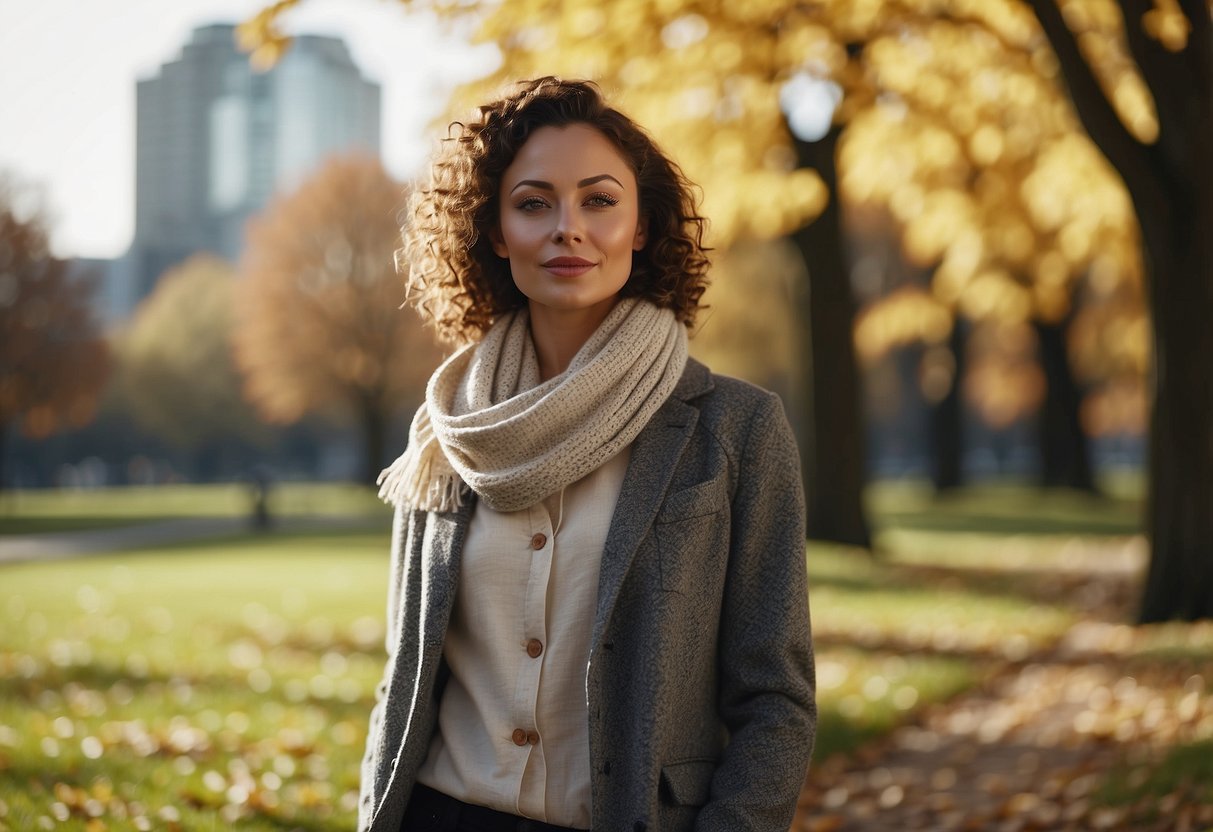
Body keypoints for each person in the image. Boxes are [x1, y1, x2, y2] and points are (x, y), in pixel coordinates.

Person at [361, 77, 815, 832]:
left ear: (641, 227)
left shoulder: (736, 429)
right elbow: (403, 675)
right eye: (533, 203)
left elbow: (775, 703)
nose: (566, 228)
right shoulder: (447, 431)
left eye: (599, 201)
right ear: (496, 232)